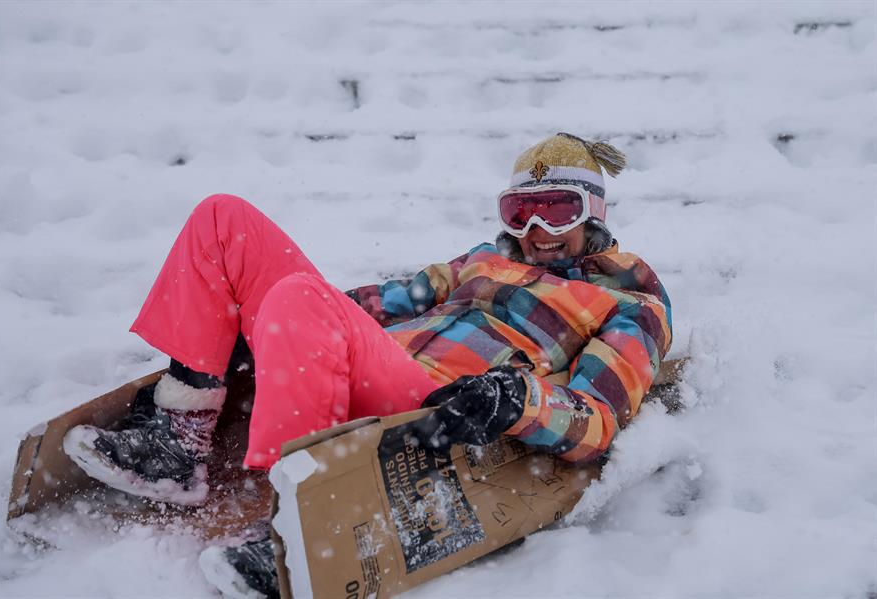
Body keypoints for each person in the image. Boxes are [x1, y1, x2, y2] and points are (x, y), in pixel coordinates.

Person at [63, 133, 672, 598]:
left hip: (431, 409)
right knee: (223, 219)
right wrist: (263, 322)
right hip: (372, 364)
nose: (537, 230)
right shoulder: (482, 261)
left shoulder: (630, 303)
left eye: (557, 210)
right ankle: (180, 441)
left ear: (594, 212)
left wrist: (516, 397)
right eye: (520, 212)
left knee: (299, 297)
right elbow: (378, 303)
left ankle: (297, 527)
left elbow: (597, 421)